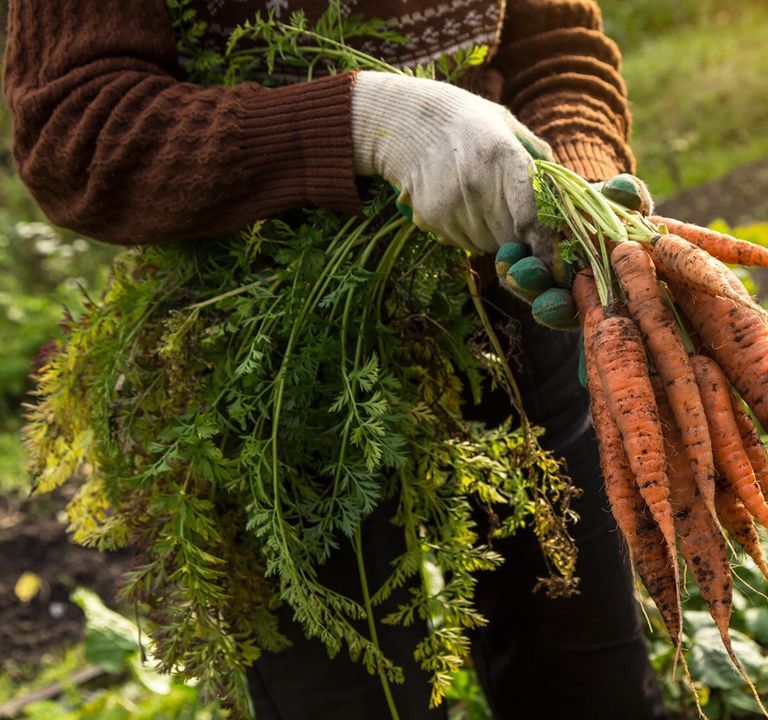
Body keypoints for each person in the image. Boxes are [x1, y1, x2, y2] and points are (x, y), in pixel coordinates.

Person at [4, 1, 669, 717]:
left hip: (508, 288)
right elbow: (80, 130)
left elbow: (555, 47)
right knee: (351, 696)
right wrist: (367, 122)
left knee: (589, 678)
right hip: (267, 351)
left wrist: (570, 185)